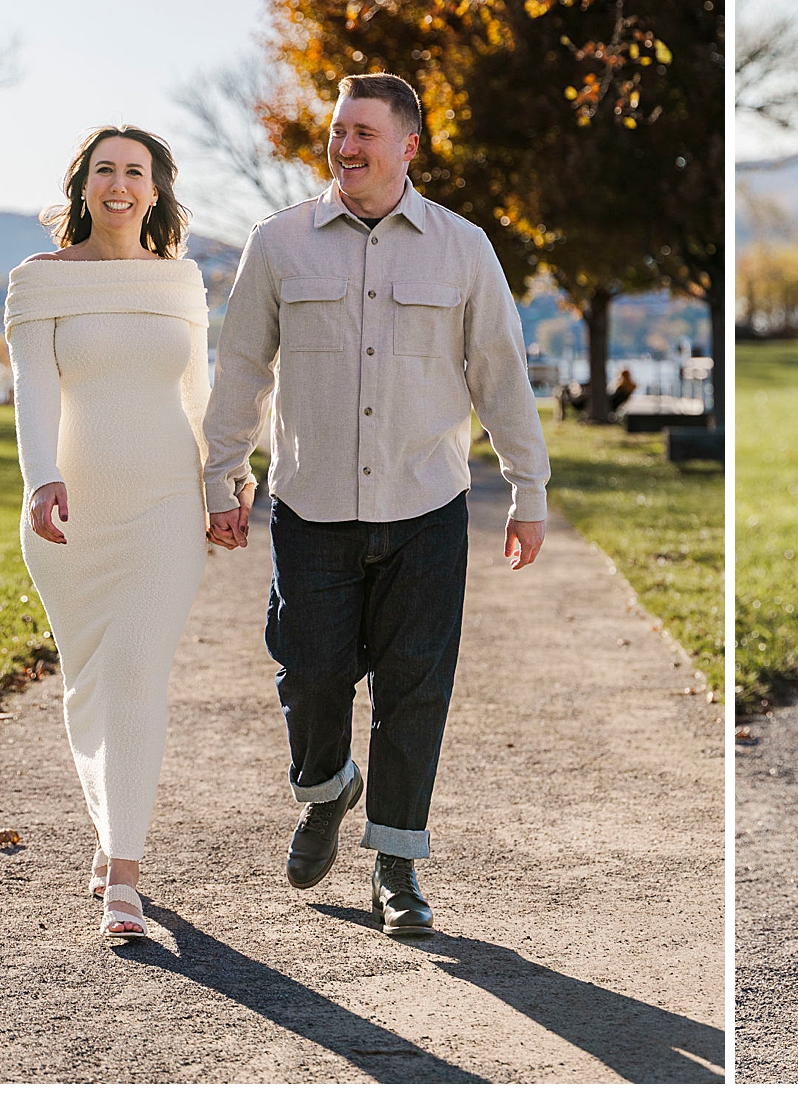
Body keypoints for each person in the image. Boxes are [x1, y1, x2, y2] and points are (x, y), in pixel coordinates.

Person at [201, 73, 551, 938]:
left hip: (427, 506)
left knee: (414, 692)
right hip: (312, 506)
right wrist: (221, 478)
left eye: (363, 132)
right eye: (337, 132)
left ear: (408, 147)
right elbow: (240, 368)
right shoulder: (278, 244)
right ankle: (326, 789)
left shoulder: (462, 248)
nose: (346, 147)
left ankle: (397, 868)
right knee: (309, 673)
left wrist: (527, 487)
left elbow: (499, 372)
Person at [5, 125, 212, 944]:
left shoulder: (184, 282)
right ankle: (110, 830)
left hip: (166, 505)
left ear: (157, 190)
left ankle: (122, 870)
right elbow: (32, 391)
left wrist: (225, 483)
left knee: (133, 674)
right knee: (91, 681)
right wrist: (40, 478)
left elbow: (199, 394)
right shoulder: (38, 281)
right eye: (105, 171)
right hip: (73, 512)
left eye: (136, 171)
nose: (120, 184)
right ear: (82, 187)